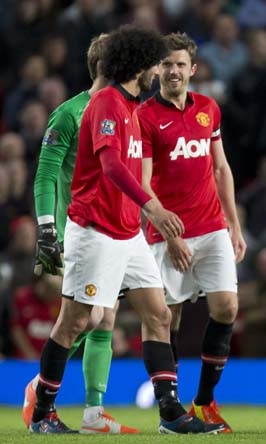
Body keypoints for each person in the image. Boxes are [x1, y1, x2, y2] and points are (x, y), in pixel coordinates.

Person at [28, 24, 224, 435]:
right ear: (138, 63)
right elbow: (112, 165)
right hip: (95, 230)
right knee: (75, 322)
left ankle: (170, 414)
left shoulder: (134, 108)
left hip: (126, 233)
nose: (158, 70)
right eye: (154, 62)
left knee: (157, 313)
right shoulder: (105, 105)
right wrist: (153, 208)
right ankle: (43, 411)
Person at [25, 33, 139, 434]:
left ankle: (93, 412)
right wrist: (46, 229)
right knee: (84, 318)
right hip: (80, 226)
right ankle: (39, 395)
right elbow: (45, 174)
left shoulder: (126, 112)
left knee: (104, 318)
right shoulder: (69, 113)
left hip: (115, 227)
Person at [138, 32, 246, 433]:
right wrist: (168, 231)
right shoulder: (145, 116)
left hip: (211, 225)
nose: (173, 71)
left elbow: (220, 168)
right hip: (168, 231)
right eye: (166, 64)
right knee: (167, 317)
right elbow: (142, 182)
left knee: (227, 308)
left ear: (192, 70)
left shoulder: (208, 110)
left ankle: (204, 401)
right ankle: (171, 407)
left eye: (180, 64)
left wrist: (233, 223)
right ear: (156, 70)